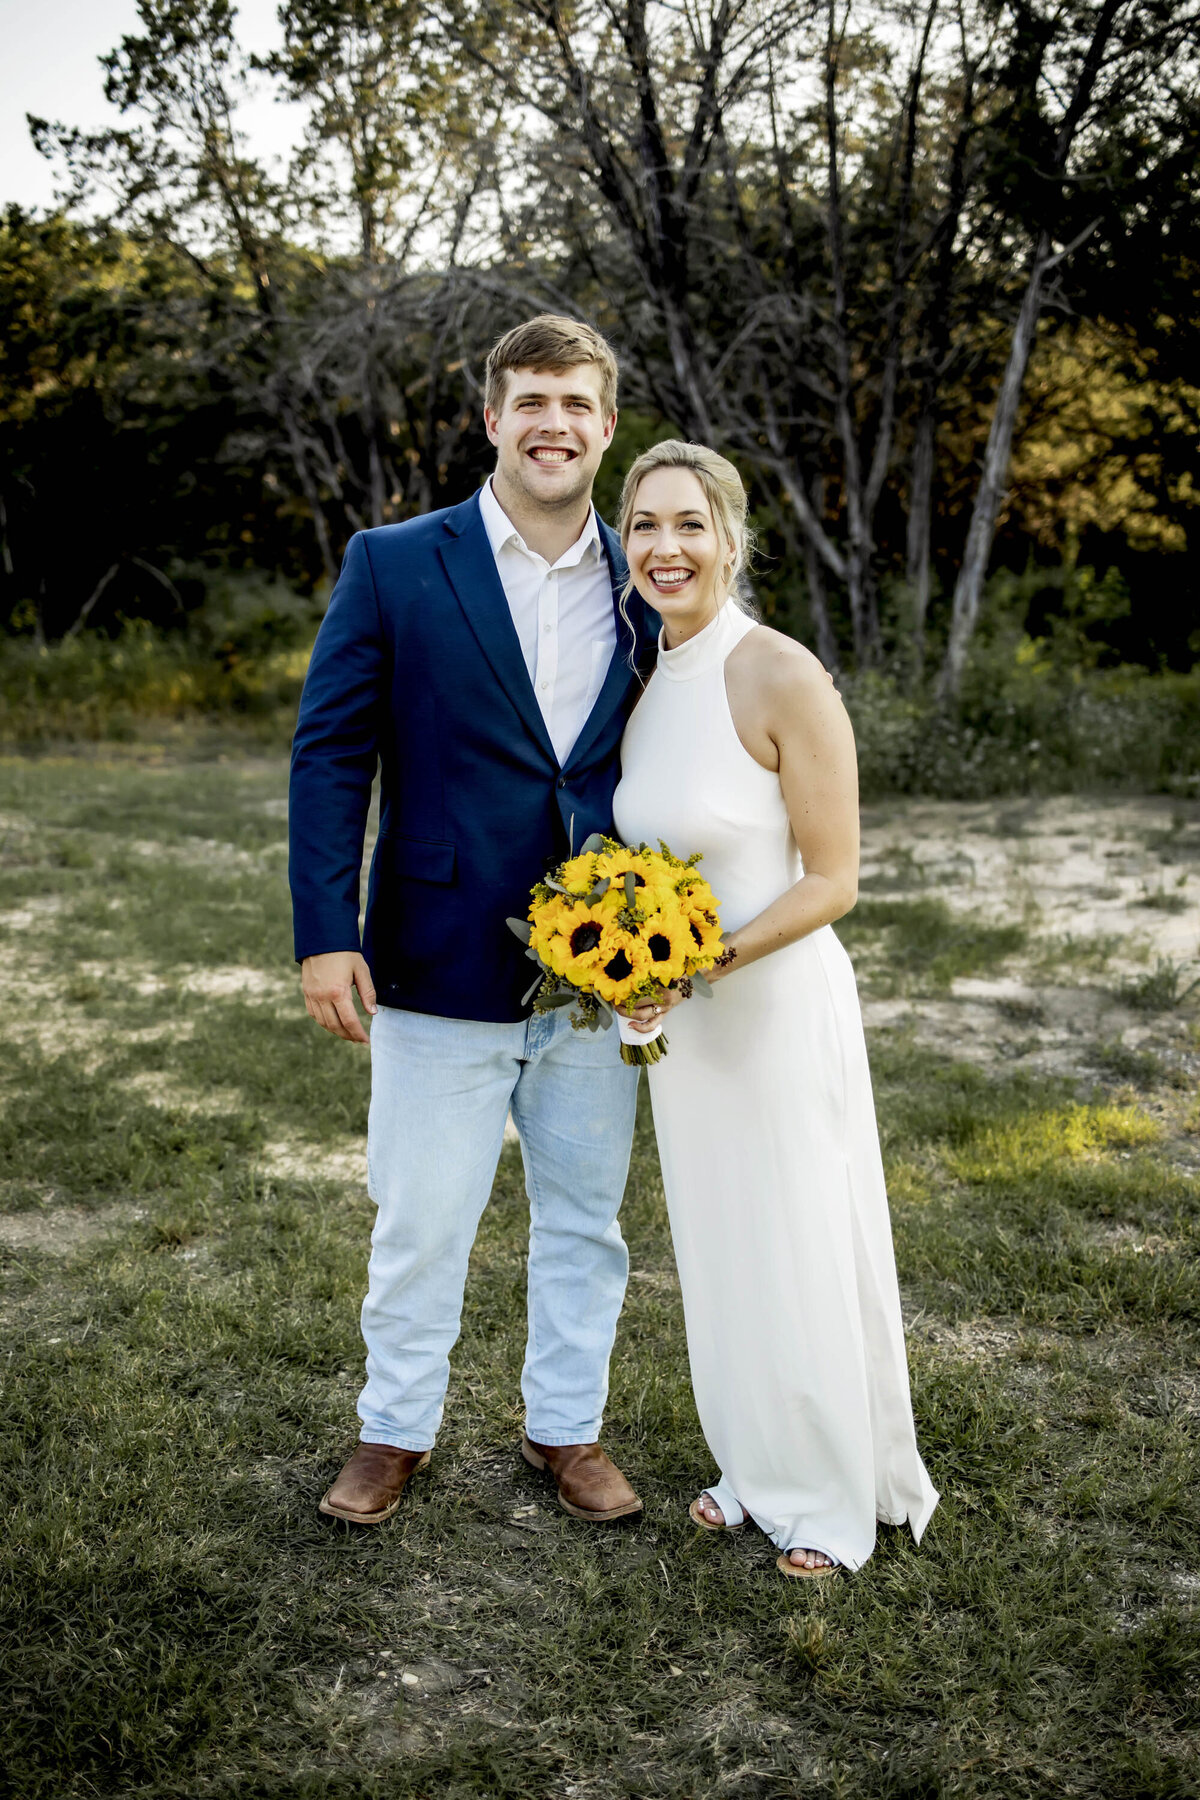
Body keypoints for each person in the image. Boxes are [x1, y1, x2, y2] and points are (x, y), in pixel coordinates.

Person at [289, 316, 659, 1527]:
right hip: (436, 947)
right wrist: (322, 927)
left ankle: (568, 1430)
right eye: (531, 400)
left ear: (606, 429)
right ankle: (392, 1431)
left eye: (577, 404)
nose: (553, 424)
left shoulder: (647, 578)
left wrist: (675, 936)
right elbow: (333, 751)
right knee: (423, 1216)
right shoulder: (396, 560)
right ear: (491, 418)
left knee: (586, 1221)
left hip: (602, 967)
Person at [611, 440, 938, 1577]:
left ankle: (835, 1504)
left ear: (731, 538)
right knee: (719, 1241)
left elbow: (834, 877)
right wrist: (632, 966)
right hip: (686, 1023)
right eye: (645, 526)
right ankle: (754, 1468)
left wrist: (704, 962)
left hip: (774, 1001)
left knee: (798, 1237)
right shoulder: (649, 677)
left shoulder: (781, 671)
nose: (665, 547)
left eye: (689, 525)